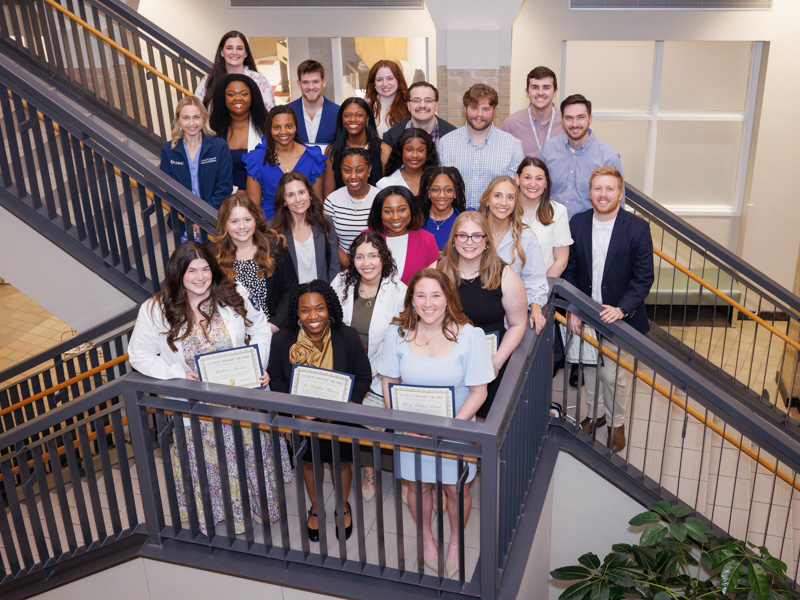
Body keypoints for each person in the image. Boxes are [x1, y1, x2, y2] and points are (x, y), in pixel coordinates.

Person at [128, 242, 292, 533]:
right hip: (196, 409)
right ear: (178, 273)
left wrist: (257, 364)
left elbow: (259, 328)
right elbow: (138, 355)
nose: (200, 277)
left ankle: (258, 509)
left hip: (241, 398)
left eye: (205, 269)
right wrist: (176, 373)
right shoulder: (155, 309)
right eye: (191, 270)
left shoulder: (233, 292)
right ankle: (223, 515)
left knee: (250, 457)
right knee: (209, 465)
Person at [378, 269, 494, 578]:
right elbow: (389, 381)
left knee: (456, 490)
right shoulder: (398, 333)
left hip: (455, 428)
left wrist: (449, 428)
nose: (428, 303)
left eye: (436, 295)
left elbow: (479, 392)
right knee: (418, 486)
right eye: (421, 295)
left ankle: (456, 539)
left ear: (448, 299)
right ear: (411, 300)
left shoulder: (469, 336)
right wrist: (401, 421)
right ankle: (426, 537)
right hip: (412, 429)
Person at [267, 280, 372, 542]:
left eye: (320, 308)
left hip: (339, 418)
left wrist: (349, 405)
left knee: (341, 463)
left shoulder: (347, 336)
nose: (313, 316)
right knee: (309, 463)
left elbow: (363, 375)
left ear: (330, 309)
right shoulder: (282, 340)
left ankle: (342, 505)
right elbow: (277, 379)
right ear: (297, 313)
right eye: (305, 310)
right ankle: (315, 507)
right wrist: (294, 410)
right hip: (302, 418)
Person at [563, 166, 654, 452]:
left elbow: (643, 277)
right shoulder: (577, 223)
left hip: (620, 317)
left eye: (610, 189)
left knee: (612, 375)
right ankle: (594, 414)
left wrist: (622, 309)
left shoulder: (638, 227)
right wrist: (574, 307)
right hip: (586, 311)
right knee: (590, 369)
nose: (603, 194)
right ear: (590, 193)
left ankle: (617, 422)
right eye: (598, 189)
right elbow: (570, 271)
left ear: (620, 193)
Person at [331, 232, 406, 502]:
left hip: (381, 370)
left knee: (375, 421)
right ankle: (367, 470)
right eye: (360, 256)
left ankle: (389, 470)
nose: (366, 263)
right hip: (345, 366)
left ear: (383, 258)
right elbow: (330, 324)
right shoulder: (341, 282)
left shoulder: (399, 291)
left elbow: (400, 337)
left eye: (373, 256)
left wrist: (372, 370)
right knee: (355, 422)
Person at [437, 212, 528, 420]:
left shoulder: (505, 275)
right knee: (447, 421)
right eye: (463, 236)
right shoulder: (437, 271)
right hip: (446, 362)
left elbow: (518, 324)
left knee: (482, 427)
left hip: (489, 363)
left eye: (477, 236)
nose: (470, 242)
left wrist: (495, 364)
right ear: (453, 240)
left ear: (486, 241)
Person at [211, 193, 297, 330]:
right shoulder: (214, 256)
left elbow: (291, 290)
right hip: (233, 334)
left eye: (247, 219)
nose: (242, 226)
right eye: (234, 221)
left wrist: (272, 326)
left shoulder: (275, 247)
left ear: (255, 220)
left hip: (273, 330)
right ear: (224, 224)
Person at [478, 176, 548, 333]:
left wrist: (535, 308)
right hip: (473, 316)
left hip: (509, 322)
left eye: (510, 197)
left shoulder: (526, 237)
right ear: (487, 200)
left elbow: (535, 280)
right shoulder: (472, 232)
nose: (503, 203)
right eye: (497, 196)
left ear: (516, 203)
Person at [438, 84, 525, 210]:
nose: (479, 114)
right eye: (474, 108)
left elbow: (515, 191)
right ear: (465, 109)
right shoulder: (446, 143)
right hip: (456, 220)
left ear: (494, 111)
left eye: (486, 109)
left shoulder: (512, 145)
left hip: (496, 222)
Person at [541, 94, 623, 219]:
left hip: (590, 232)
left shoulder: (608, 157)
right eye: (568, 118)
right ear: (562, 121)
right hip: (552, 226)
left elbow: (618, 204)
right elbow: (540, 189)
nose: (574, 124)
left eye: (580, 117)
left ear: (590, 119)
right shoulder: (550, 148)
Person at [244, 106, 326, 220]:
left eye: (288, 126)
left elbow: (317, 202)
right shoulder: (256, 159)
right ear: (269, 129)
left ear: (295, 127)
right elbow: (254, 207)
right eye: (277, 127)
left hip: (305, 223)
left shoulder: (313, 158)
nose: (283, 132)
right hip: (269, 225)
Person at [160, 96, 232, 212]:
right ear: (179, 120)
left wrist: (205, 217)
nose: (192, 123)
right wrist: (189, 218)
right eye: (186, 118)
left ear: (204, 118)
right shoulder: (168, 150)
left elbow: (224, 187)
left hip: (213, 218)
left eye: (196, 117)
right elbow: (169, 189)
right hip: (182, 217)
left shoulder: (220, 147)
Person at [268, 171, 340, 284]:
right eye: (290, 195)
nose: (298, 199)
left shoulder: (325, 222)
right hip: (290, 298)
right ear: (284, 201)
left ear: (309, 194)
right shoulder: (273, 230)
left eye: (301, 192)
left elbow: (334, 265)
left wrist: (329, 295)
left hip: (322, 295)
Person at [366, 186, 440, 285]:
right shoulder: (367, 238)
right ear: (379, 213)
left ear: (412, 210)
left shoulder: (427, 240)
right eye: (388, 211)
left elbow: (434, 281)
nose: (395, 217)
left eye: (402, 210)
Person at [209, 73, 268, 192]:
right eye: (231, 94)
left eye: (244, 94)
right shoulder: (212, 130)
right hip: (225, 199)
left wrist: (252, 194)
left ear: (252, 96)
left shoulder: (267, 127)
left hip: (263, 198)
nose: (238, 98)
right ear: (223, 98)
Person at [323, 147, 381, 269]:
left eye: (359, 170)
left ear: (369, 170)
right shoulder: (332, 201)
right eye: (347, 170)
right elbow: (330, 240)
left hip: (377, 263)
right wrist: (348, 263)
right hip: (344, 265)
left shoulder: (381, 199)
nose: (353, 176)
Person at [322, 97, 391, 198]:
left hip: (375, 211)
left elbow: (389, 193)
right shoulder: (332, 150)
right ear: (341, 119)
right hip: (341, 211)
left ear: (367, 119)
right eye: (347, 115)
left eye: (358, 115)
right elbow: (328, 195)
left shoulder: (384, 150)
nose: (353, 119)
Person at [515, 157, 572, 277]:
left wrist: (542, 289)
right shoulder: (506, 209)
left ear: (545, 183)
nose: (533, 184)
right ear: (517, 179)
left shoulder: (558, 211)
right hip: (506, 288)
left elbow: (561, 261)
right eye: (527, 178)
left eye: (539, 179)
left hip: (544, 288)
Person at [195, 31, 276, 111]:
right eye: (229, 48)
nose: (234, 52)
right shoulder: (207, 81)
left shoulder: (259, 80)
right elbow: (197, 112)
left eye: (239, 48)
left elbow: (271, 115)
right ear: (222, 52)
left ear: (246, 53)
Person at [501, 66, 565, 159]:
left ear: (555, 91)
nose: (540, 92)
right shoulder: (512, 124)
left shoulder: (566, 123)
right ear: (527, 92)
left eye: (546, 87)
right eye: (535, 87)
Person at [382, 81, 456, 147]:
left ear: (436, 105)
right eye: (416, 100)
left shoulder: (453, 135)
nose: (422, 105)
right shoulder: (391, 138)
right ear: (408, 106)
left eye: (428, 100)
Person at [287, 59, 340, 148]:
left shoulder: (338, 113)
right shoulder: (287, 112)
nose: (311, 87)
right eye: (306, 82)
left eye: (315, 82)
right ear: (299, 83)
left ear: (324, 82)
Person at [376, 128, 439, 195]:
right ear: (401, 151)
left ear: (428, 152)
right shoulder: (386, 184)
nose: (414, 155)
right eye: (409, 150)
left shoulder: (437, 180)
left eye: (420, 150)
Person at [419, 166, 468, 250]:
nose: (442, 195)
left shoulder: (465, 218)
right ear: (428, 191)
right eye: (435, 189)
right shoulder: (416, 217)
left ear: (455, 191)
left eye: (448, 190)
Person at [365, 60, 410, 137]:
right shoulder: (366, 108)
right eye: (379, 80)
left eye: (390, 78)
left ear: (398, 80)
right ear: (373, 83)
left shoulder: (410, 105)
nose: (385, 84)